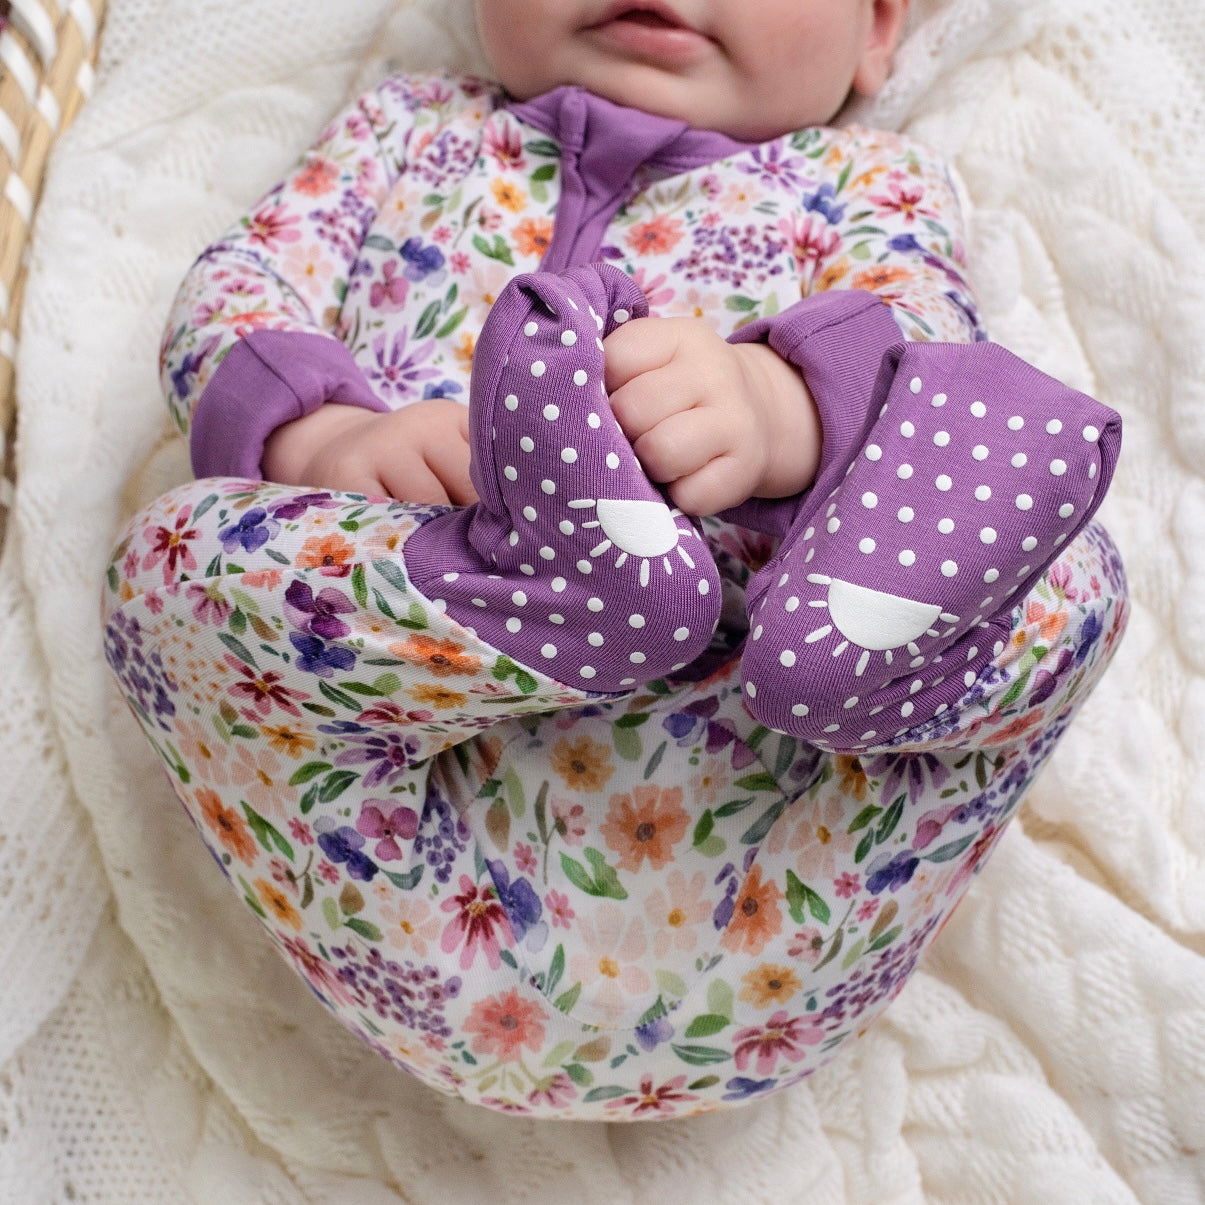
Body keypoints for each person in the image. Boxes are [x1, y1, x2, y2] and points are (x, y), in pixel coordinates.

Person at [103, 0, 1125, 1119]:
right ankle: (531, 593)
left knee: (1058, 575)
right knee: (169, 559)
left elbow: (921, 349)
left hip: (790, 872)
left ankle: (866, 649)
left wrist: (779, 410)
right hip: (411, 882)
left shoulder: (858, 179)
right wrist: (327, 436)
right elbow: (239, 293)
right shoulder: (407, 131)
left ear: (875, 29)